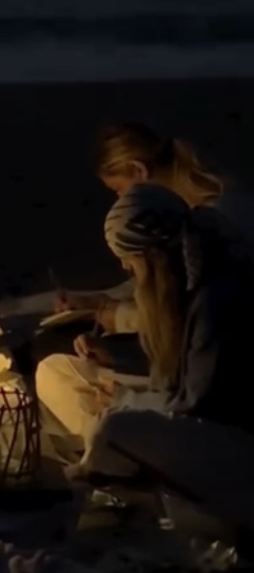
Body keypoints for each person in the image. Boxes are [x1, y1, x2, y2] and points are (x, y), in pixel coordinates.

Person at [36, 183, 254, 480]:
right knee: (54, 369)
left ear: (154, 256)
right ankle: (110, 448)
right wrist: (113, 356)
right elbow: (169, 364)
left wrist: (125, 400)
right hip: (166, 402)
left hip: (222, 438)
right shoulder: (179, 284)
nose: (127, 270)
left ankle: (109, 449)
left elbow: (193, 405)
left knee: (114, 426)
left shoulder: (216, 296)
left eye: (131, 262)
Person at [54, 122, 254, 353]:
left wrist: (118, 316)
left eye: (119, 190)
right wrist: (98, 302)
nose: (119, 201)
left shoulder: (208, 224)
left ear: (139, 170)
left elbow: (193, 319)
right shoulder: (219, 200)